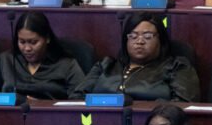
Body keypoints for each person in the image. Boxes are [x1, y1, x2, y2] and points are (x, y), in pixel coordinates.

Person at [72, 13, 200, 102]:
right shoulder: (106, 65)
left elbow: (183, 105)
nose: (139, 41)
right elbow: (77, 98)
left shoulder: (176, 67)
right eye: (133, 36)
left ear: (161, 40)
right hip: (102, 123)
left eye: (147, 36)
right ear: (125, 41)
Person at [0, 11, 84, 100]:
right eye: (22, 42)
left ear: (47, 38)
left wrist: (41, 105)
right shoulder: (6, 59)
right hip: (11, 115)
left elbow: (79, 101)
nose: (27, 48)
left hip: (51, 115)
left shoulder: (67, 64)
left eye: (33, 42)